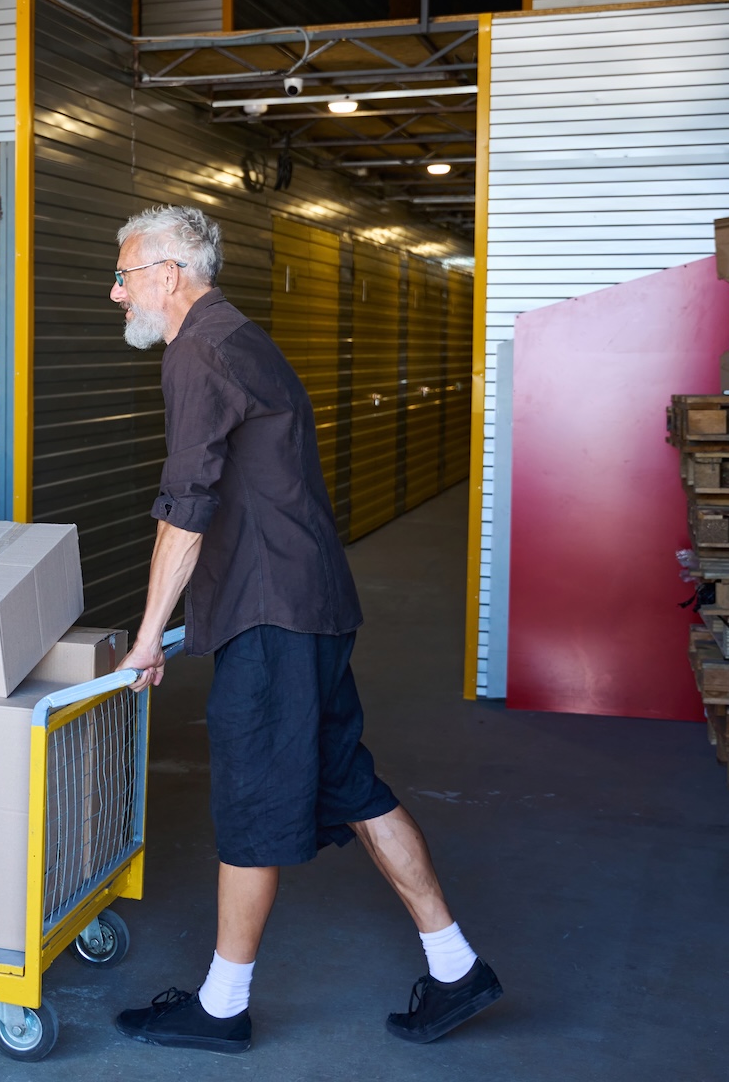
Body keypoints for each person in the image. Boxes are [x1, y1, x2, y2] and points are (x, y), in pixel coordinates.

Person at [107, 204, 502, 1053]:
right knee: (351, 785)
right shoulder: (241, 337)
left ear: (169, 274)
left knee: (252, 800)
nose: (117, 293)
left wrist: (147, 637)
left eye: (126, 274)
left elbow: (185, 508)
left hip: (271, 614)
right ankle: (457, 966)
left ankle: (222, 1007)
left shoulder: (198, 352)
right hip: (312, 604)